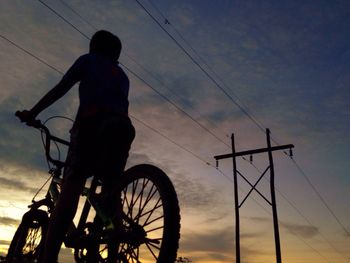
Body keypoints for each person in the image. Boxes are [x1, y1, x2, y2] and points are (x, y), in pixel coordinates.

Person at [17, 30, 135, 262]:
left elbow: (61, 88)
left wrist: (33, 112)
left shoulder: (88, 60)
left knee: (70, 189)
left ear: (94, 47)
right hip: (123, 129)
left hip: (92, 126)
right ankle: (117, 235)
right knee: (111, 187)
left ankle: (47, 258)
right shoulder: (122, 75)